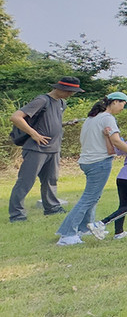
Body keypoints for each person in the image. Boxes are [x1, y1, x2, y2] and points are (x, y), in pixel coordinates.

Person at [56, 92, 127, 246]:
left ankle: (84, 227)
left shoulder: (92, 118)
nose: (123, 108)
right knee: (89, 198)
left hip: (87, 161)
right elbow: (117, 142)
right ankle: (67, 234)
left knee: (93, 197)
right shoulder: (108, 118)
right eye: (123, 104)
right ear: (114, 102)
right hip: (98, 162)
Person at [8, 76, 83, 222]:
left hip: (54, 148)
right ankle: (17, 214)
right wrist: (34, 134)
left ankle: (52, 208)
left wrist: (66, 123)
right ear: (61, 89)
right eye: (70, 91)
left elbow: (49, 122)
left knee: (51, 180)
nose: (71, 94)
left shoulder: (62, 102)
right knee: (26, 181)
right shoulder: (42, 100)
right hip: (37, 149)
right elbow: (16, 117)